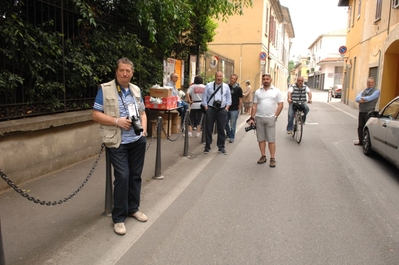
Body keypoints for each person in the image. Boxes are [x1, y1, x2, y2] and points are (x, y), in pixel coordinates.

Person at [92, 58, 148, 236]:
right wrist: (117, 121)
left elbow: (143, 113)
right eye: (122, 70)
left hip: (136, 140)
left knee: (136, 176)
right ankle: (118, 218)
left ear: (132, 73)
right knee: (123, 177)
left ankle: (133, 208)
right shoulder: (105, 89)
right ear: (116, 71)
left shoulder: (135, 89)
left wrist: (144, 130)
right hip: (117, 142)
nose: (125, 74)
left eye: (128, 71)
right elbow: (95, 115)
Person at [247, 74, 283, 167]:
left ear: (271, 80)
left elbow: (280, 104)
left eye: (267, 79)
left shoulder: (276, 91)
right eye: (264, 79)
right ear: (262, 80)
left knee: (271, 140)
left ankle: (272, 158)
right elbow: (254, 105)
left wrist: (275, 116)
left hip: (271, 118)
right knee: (261, 139)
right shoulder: (258, 92)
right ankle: (263, 156)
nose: (266, 80)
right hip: (259, 118)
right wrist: (252, 118)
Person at [202, 71, 231, 155]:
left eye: (220, 76)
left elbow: (229, 99)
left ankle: (221, 147)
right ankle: (207, 147)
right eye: (217, 76)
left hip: (222, 110)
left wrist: (226, 108)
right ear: (215, 77)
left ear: (223, 77)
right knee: (208, 129)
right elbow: (204, 98)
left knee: (221, 129)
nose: (219, 78)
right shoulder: (209, 85)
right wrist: (206, 108)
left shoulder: (226, 87)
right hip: (211, 109)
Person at [354, 77, 380, 145]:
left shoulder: (376, 91)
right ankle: (361, 141)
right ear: (367, 83)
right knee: (360, 127)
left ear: (374, 83)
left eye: (371, 82)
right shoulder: (364, 90)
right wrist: (364, 100)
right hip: (362, 111)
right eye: (368, 82)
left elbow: (369, 98)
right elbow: (357, 98)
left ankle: (368, 143)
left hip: (369, 112)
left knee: (368, 128)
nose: (370, 84)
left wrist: (363, 99)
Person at [225, 74, 243, 143]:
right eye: (231, 78)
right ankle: (229, 134)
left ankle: (232, 137)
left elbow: (240, 99)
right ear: (230, 78)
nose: (232, 80)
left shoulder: (238, 88)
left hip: (234, 108)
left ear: (236, 80)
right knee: (224, 123)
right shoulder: (226, 87)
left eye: (234, 79)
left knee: (233, 124)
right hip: (226, 108)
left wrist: (239, 108)